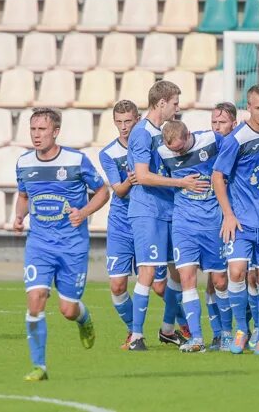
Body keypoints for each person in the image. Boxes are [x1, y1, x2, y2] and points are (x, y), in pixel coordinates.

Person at [16, 108, 110, 381]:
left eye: (42, 130)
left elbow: (102, 191)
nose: (36, 135)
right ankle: (39, 367)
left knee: (68, 309)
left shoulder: (75, 160)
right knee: (35, 300)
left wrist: (84, 213)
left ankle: (84, 319)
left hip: (72, 245)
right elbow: (23, 195)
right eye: (33, 129)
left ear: (55, 131)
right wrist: (19, 216)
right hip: (39, 244)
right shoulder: (23, 163)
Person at [127, 80, 209, 352]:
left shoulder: (165, 132)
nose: (177, 108)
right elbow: (142, 176)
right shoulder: (142, 133)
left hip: (171, 209)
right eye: (175, 103)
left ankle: (167, 329)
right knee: (148, 272)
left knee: (177, 271)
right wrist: (182, 183)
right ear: (161, 103)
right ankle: (136, 335)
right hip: (148, 210)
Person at [212, 85, 259, 355]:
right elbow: (218, 176)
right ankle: (242, 330)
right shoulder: (237, 138)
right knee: (237, 272)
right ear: (249, 107)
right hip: (241, 221)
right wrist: (228, 215)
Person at [158, 120, 232, 353]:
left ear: (189, 134)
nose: (177, 153)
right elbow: (150, 175)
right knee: (187, 279)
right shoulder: (162, 152)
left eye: (180, 149)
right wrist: (179, 182)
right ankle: (197, 338)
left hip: (213, 224)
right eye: (173, 151)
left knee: (220, 281)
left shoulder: (211, 140)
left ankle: (225, 334)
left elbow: (231, 162)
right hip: (184, 225)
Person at [100, 100, 168, 349]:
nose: (123, 127)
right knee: (117, 285)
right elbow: (118, 190)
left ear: (137, 119)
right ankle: (133, 331)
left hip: (148, 216)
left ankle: (176, 325)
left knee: (159, 285)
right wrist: (132, 180)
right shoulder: (108, 153)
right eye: (119, 122)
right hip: (120, 223)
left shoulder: (152, 141)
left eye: (128, 121)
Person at [204, 102, 238, 350]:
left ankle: (243, 329)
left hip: (237, 218)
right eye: (214, 122)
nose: (217, 127)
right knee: (215, 279)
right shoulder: (207, 146)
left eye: (222, 123)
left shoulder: (238, 143)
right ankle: (220, 332)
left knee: (238, 276)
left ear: (233, 124)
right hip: (211, 220)